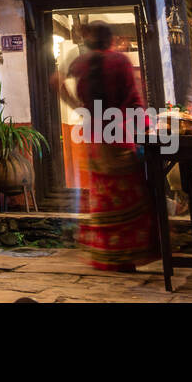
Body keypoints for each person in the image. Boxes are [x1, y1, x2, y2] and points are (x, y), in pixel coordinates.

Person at [62, 21, 158, 271]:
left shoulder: (82, 65)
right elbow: (134, 101)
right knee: (132, 200)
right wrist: (148, 127)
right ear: (111, 40)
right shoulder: (120, 63)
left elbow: (69, 94)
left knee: (104, 200)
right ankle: (128, 257)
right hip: (120, 138)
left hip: (94, 141)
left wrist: (69, 98)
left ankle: (109, 257)